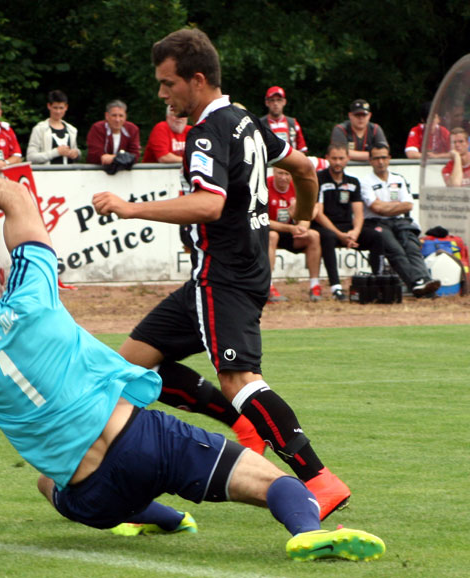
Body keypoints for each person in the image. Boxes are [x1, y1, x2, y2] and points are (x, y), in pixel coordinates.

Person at [0, 137, 386, 563]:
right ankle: (307, 533)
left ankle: (163, 518)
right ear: (1, 277)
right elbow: (15, 199)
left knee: (42, 483)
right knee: (269, 484)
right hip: (144, 442)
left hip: (87, 496)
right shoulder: (33, 292)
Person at [91, 28, 351, 521]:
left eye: (168, 84)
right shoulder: (247, 122)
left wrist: (131, 208)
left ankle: (318, 478)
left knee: (239, 378)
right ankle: (237, 426)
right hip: (222, 276)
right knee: (122, 370)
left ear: (196, 79)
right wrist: (300, 215)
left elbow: (209, 206)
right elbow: (305, 171)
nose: (162, 94)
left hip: (223, 276)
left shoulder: (207, 132)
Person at [362, 144, 441, 297]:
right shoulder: (365, 182)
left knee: (412, 247)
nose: (381, 162)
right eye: (377, 158)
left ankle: (425, 281)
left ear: (389, 159)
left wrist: (387, 207)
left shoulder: (398, 179)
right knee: (395, 250)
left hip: (399, 222)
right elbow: (376, 208)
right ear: (370, 161)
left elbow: (408, 205)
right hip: (376, 222)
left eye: (384, 157)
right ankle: (417, 283)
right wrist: (396, 205)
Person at [311, 144, 384, 301]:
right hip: (325, 226)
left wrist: (355, 232)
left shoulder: (353, 181)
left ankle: (378, 280)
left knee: (376, 236)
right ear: (327, 158)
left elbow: (358, 212)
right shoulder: (319, 179)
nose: (337, 162)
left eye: (341, 158)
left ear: (348, 159)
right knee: (328, 237)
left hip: (348, 227)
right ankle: (336, 288)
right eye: (334, 158)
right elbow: (318, 214)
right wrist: (340, 235)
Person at [267, 167, 322, 302]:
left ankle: (315, 285)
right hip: (269, 230)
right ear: (273, 172)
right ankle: (268, 286)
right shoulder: (265, 185)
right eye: (280, 173)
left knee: (313, 236)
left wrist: (302, 226)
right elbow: (261, 219)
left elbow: (310, 211)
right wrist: (290, 228)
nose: (283, 177)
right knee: (272, 236)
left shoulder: (297, 187)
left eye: (287, 174)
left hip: (290, 231)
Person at [26, 90, 80, 165]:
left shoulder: (72, 130)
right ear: (49, 106)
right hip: (47, 174)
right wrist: (56, 152)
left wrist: (76, 153)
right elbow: (31, 157)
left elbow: (76, 152)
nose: (58, 111)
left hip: (68, 174)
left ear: (66, 107)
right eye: (55, 108)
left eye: (61, 108)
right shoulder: (39, 129)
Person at [85, 100, 141, 166]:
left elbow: (135, 155)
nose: (117, 120)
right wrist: (123, 158)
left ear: (125, 116)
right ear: (107, 116)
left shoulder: (132, 129)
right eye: (114, 115)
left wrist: (114, 158)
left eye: (121, 116)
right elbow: (95, 155)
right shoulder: (97, 128)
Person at [260, 86, 308, 153]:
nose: (275, 103)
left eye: (279, 100)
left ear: (284, 102)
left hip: (291, 162)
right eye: (272, 100)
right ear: (267, 103)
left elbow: (302, 149)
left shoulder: (293, 123)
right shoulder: (260, 124)